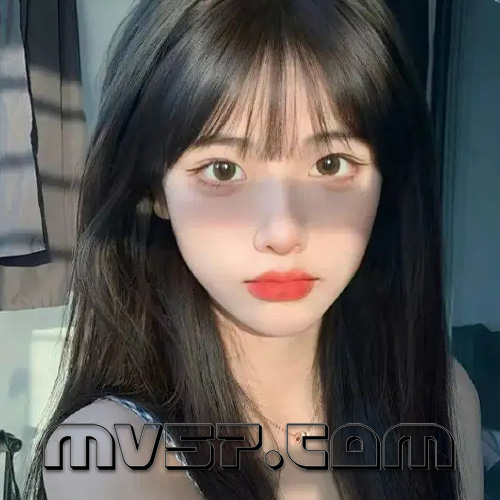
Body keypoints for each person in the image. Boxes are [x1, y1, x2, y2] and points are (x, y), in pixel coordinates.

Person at [24, 0, 483, 499]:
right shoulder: (111, 454)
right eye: (223, 170)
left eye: (331, 164)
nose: (282, 232)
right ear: (155, 190)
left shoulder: (443, 399)